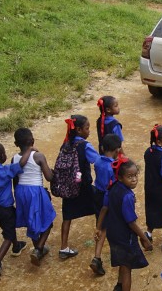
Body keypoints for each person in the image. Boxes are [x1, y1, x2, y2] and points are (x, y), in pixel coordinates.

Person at [98, 159, 154, 291]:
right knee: (127, 267)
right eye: (130, 177)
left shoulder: (113, 187)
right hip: (125, 236)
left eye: (136, 175)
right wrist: (144, 238)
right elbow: (131, 222)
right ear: (121, 177)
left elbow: (105, 207)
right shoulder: (127, 196)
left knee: (122, 261)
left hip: (113, 233)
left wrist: (98, 227)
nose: (134, 179)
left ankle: (119, 286)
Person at [0, 142, 29, 282]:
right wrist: (30, 149)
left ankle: (16, 246)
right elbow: (21, 164)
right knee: (8, 234)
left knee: (9, 227)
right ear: (3, 156)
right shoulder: (4, 171)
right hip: (5, 208)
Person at [10, 127, 56, 264]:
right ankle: (39, 248)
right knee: (48, 220)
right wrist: (54, 172)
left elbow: (15, 178)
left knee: (31, 221)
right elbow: (48, 177)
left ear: (16, 144)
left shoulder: (14, 158)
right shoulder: (38, 156)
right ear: (33, 140)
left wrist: (17, 196)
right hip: (35, 191)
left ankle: (37, 247)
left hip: (20, 191)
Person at [58, 115, 101, 259]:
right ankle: (100, 234)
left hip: (69, 188)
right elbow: (97, 160)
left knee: (67, 216)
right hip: (83, 186)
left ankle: (64, 247)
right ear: (78, 129)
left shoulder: (65, 144)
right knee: (100, 206)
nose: (89, 131)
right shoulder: (84, 145)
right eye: (87, 128)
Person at [90, 133, 121, 277]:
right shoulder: (112, 167)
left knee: (101, 225)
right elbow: (115, 185)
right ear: (117, 150)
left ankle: (97, 257)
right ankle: (106, 256)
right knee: (111, 227)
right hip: (108, 197)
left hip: (97, 194)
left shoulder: (97, 161)